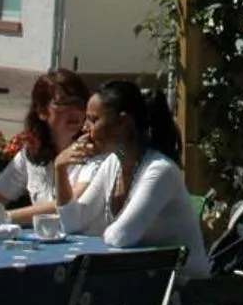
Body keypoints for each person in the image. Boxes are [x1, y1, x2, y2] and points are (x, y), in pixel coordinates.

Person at [56, 80, 211, 277]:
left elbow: (121, 236)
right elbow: (72, 224)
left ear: (123, 123)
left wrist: (98, 231)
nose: (85, 128)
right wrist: (60, 169)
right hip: (145, 282)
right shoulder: (112, 164)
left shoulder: (160, 171)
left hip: (183, 290)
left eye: (93, 120)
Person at [0, 67, 92, 229]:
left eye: (79, 103)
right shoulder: (32, 154)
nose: (74, 110)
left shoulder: (92, 152)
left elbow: (66, 206)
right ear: (42, 111)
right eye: (63, 103)